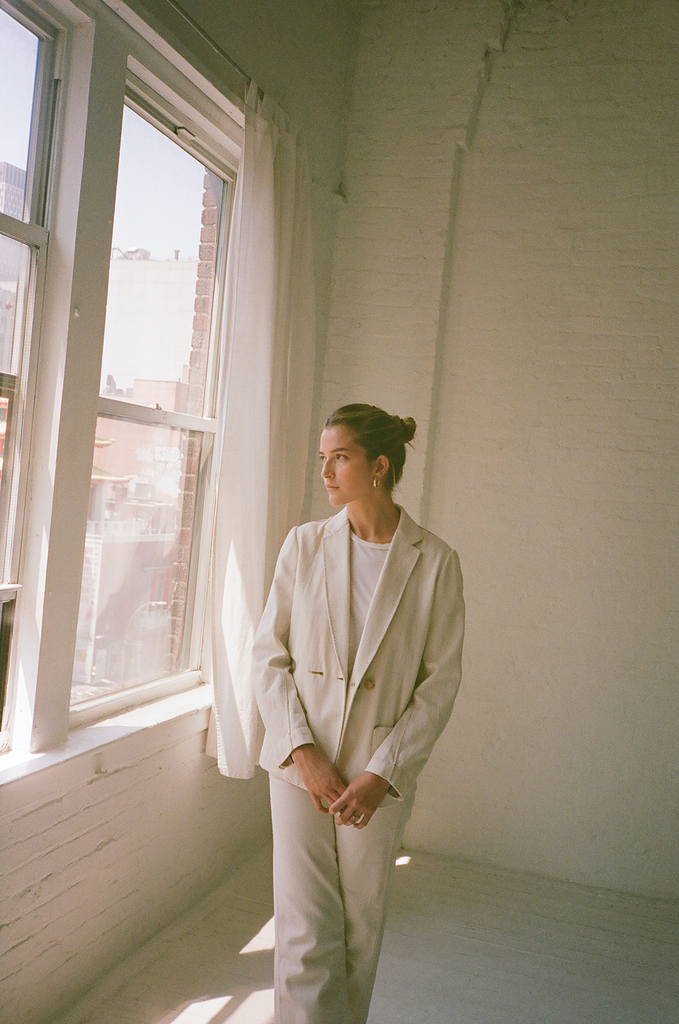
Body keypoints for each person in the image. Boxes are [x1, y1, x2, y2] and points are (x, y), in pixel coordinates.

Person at [252, 403, 465, 1024]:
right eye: (323, 458)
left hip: (376, 771)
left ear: (379, 466)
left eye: (339, 457)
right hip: (301, 761)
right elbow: (268, 655)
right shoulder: (304, 544)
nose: (325, 472)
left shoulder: (436, 560)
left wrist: (382, 772)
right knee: (302, 928)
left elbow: (439, 683)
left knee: (359, 925)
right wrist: (303, 752)